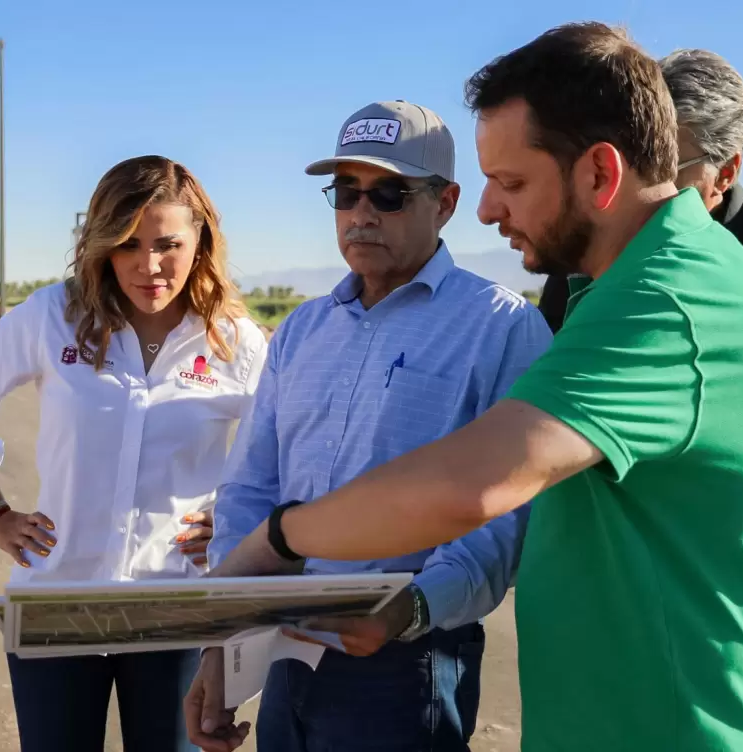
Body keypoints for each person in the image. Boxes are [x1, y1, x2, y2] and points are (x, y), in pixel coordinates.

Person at [183, 24, 743, 752]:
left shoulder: (663, 302)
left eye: (512, 182)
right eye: (346, 192)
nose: (488, 209)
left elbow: (469, 490)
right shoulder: (618, 291)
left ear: (601, 175)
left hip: (678, 727)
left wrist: (280, 538)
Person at [184, 99, 553, 752]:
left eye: (388, 193)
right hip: (283, 653)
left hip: (405, 667)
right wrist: (225, 635)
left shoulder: (502, 329)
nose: (362, 213)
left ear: (445, 203)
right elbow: (249, 490)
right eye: (346, 193)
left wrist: (408, 610)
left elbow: (504, 525)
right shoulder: (302, 329)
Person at [0, 155, 268, 752]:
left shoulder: (235, 339)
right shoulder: (53, 316)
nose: (149, 265)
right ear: (100, 245)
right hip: (59, 606)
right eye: (127, 244)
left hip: (178, 610)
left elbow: (283, 452)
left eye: (168, 243)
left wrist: (239, 519)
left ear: (201, 242)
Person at [538, 45, 743, 676]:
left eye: (673, 163)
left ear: (728, 167)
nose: (646, 183)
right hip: (621, 583)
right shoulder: (586, 268)